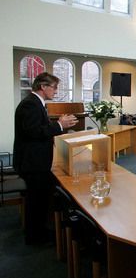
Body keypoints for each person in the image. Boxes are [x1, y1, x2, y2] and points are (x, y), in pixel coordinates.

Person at [13, 72, 78, 245]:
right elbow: (34, 132)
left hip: (35, 161)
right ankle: (35, 237)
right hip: (32, 163)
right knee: (36, 202)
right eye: (54, 87)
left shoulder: (35, 103)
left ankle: (40, 231)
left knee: (40, 199)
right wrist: (59, 125)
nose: (56, 91)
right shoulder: (30, 105)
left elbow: (39, 129)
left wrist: (58, 125)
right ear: (43, 86)